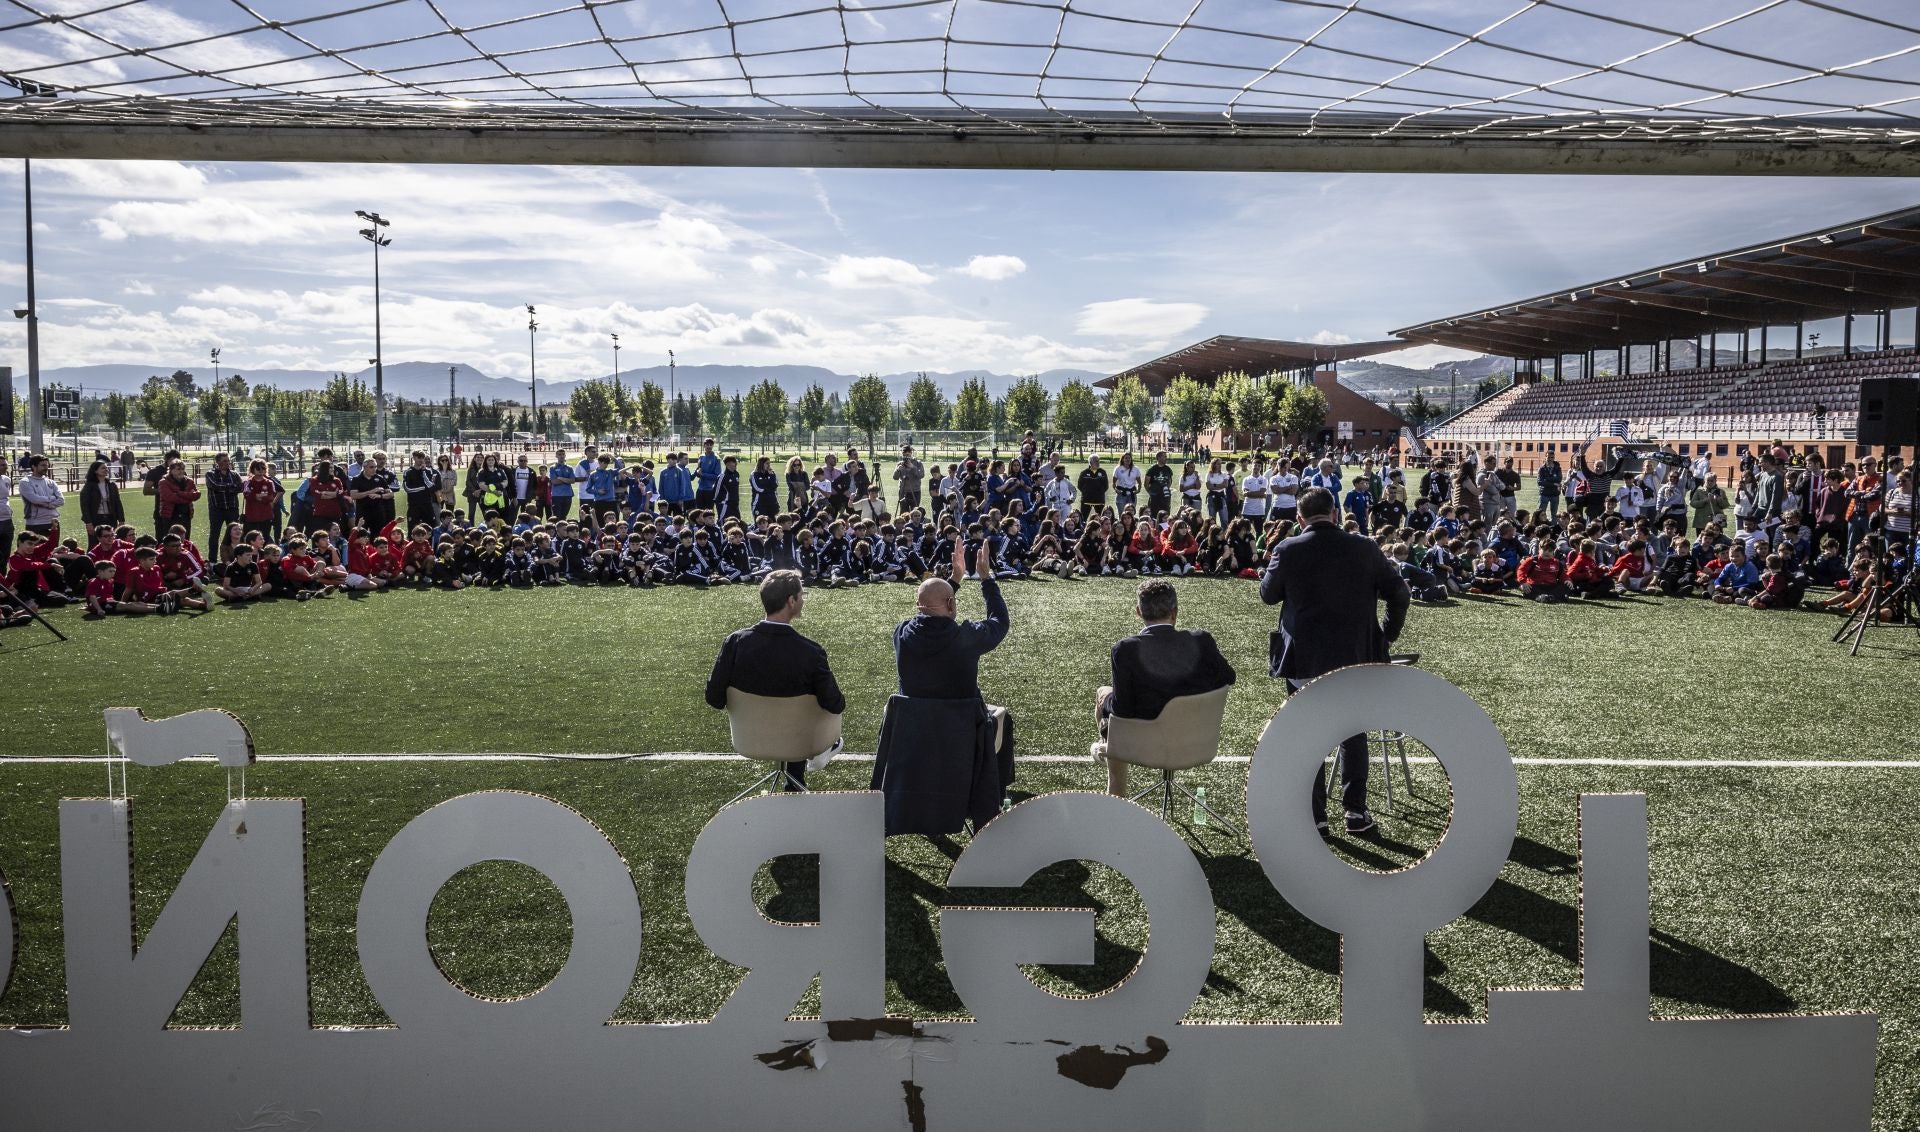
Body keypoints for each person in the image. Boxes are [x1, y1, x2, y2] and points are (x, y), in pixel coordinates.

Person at [1259, 486, 1409, 838]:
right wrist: (1385, 635)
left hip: (1304, 659)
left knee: (1307, 738)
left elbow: (1267, 595)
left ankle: (1316, 819)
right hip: (1356, 656)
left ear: (1299, 518)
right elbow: (1399, 593)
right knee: (1353, 733)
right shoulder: (1366, 547)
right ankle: (1355, 812)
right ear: (1336, 513)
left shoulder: (1288, 548)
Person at [704, 570, 846, 791]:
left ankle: (794, 782)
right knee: (808, 706)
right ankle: (796, 782)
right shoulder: (810, 652)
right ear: (791, 601)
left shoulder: (734, 643)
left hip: (749, 739)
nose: (803, 599)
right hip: (801, 741)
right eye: (802, 594)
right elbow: (835, 703)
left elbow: (714, 698)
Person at [1094, 579, 1236, 797]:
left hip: (1145, 745)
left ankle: (1116, 790)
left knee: (1104, 694)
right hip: (1196, 740)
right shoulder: (1202, 640)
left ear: (1139, 612)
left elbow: (1122, 709)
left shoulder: (1125, 650)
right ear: (1175, 611)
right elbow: (1229, 677)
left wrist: (1106, 699)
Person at [895, 540, 1008, 700]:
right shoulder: (967, 636)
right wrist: (986, 579)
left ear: (917, 605)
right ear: (950, 603)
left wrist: (954, 579)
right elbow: (1000, 621)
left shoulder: (901, 633)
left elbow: (926, 607)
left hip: (912, 721)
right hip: (961, 722)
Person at [20, 455, 65, 539]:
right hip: (35, 523)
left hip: (53, 522)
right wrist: (51, 498)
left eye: (47, 465)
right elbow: (34, 499)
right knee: (36, 551)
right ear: (33, 466)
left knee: (53, 550)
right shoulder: (25, 482)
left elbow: (61, 500)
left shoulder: (51, 482)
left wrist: (47, 505)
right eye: (43, 465)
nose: (46, 468)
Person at [80, 459, 125, 531]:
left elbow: (118, 503)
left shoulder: (112, 485)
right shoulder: (89, 486)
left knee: (111, 540)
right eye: (103, 468)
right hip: (96, 519)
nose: (106, 470)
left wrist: (121, 520)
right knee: (95, 541)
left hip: (111, 518)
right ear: (95, 471)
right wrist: (88, 523)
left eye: (106, 468)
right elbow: (84, 505)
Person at [1077, 455, 1108, 520]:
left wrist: (1099, 492)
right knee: (1083, 519)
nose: (1098, 462)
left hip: (1099, 500)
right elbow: (1079, 485)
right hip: (1086, 500)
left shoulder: (1103, 472)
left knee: (1101, 520)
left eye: (1098, 461)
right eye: (1096, 461)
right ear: (1090, 462)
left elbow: (1106, 486)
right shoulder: (1084, 473)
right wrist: (1087, 492)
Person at [695, 438, 722, 510]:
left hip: (710, 489)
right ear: (704, 445)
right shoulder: (701, 456)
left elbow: (717, 476)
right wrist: (697, 473)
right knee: (699, 512)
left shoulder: (716, 458)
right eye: (707, 444)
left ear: (713, 446)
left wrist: (702, 474)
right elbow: (698, 471)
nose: (709, 446)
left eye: (711, 445)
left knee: (708, 513)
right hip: (700, 489)